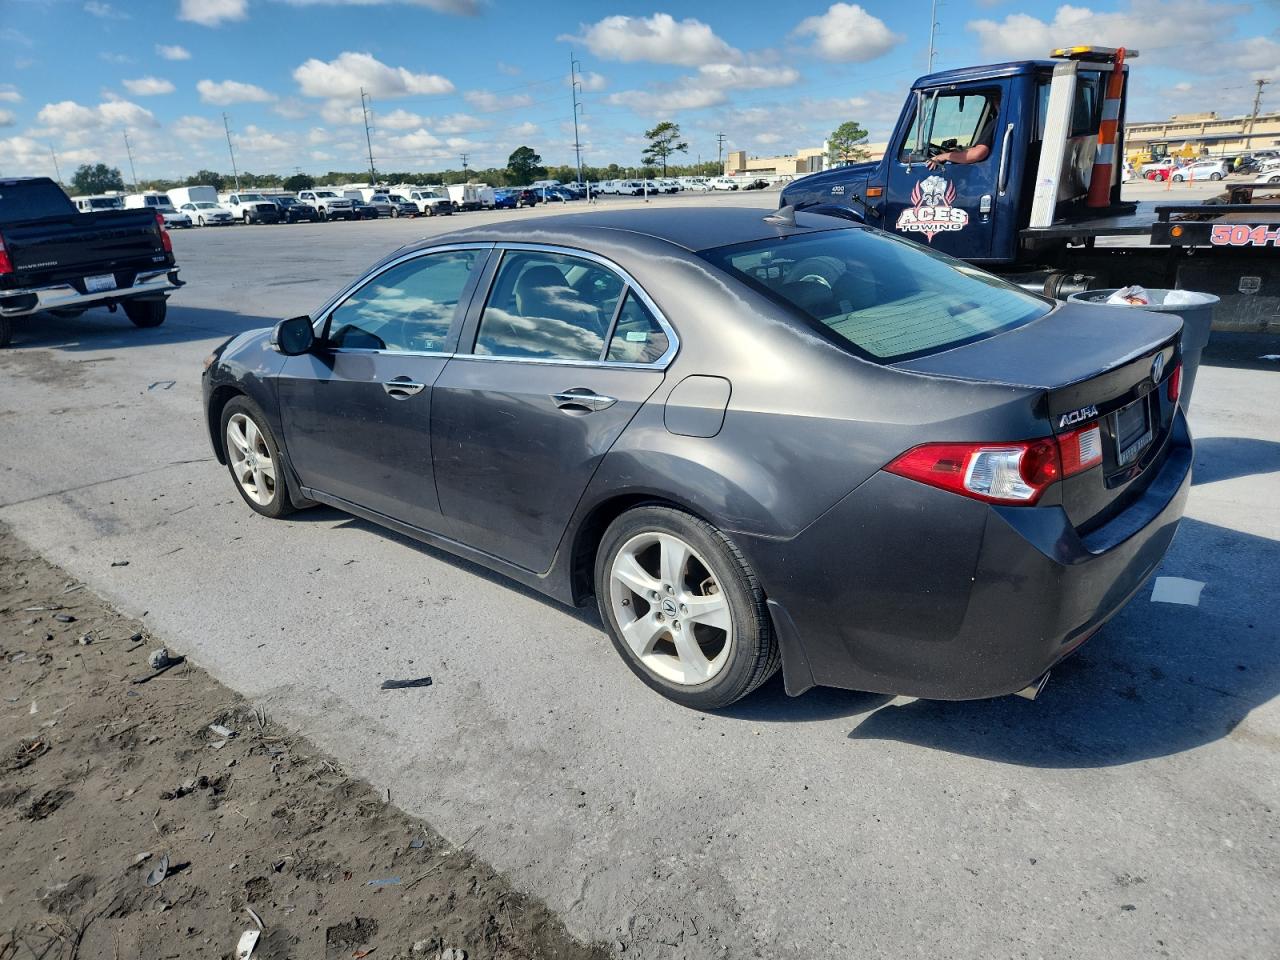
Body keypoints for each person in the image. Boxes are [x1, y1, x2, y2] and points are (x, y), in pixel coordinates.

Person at [927, 101, 998, 170]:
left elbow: (979, 153)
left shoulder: (996, 123)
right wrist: (958, 153)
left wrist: (943, 156)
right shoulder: (1002, 124)